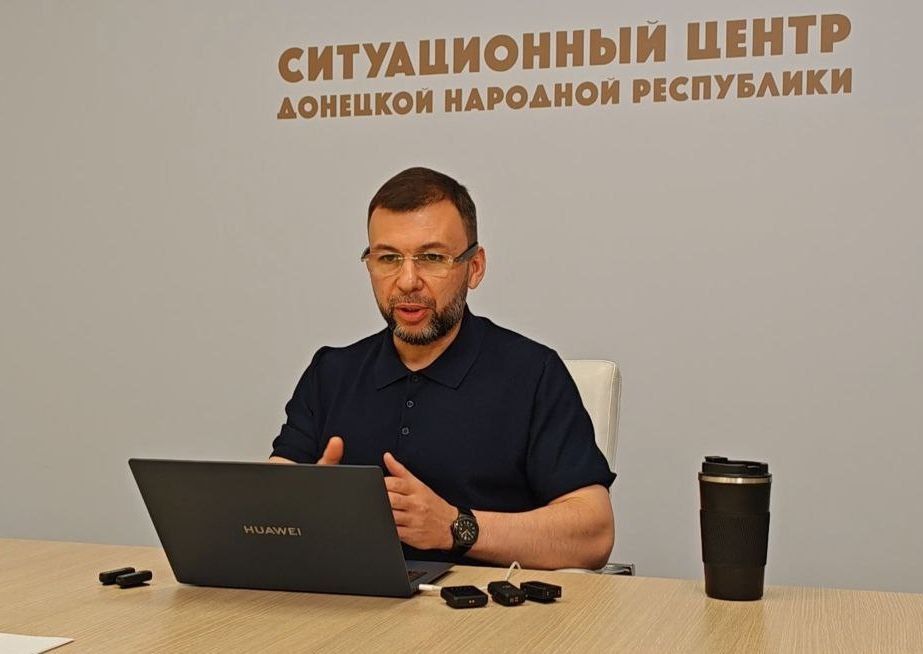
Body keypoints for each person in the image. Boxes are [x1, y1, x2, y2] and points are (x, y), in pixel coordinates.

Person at [270, 167, 615, 570]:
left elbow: (594, 533)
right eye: (388, 258)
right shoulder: (330, 373)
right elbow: (266, 509)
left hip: (485, 604)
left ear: (475, 267)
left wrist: (455, 527)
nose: (407, 281)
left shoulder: (533, 373)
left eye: (432, 258)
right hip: (350, 601)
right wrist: (300, 510)